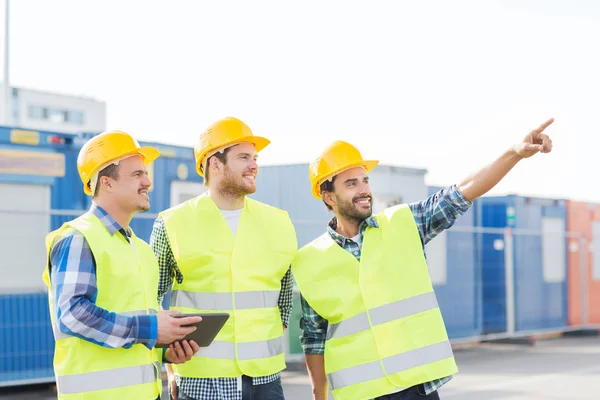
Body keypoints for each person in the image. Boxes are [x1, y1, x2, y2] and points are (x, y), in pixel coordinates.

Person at [292, 119, 555, 400]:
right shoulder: (309, 260)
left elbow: (464, 190)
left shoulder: (405, 223)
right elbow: (314, 339)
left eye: (365, 180)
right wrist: (318, 396)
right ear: (328, 195)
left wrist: (514, 152)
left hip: (416, 389)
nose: (364, 190)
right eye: (351, 183)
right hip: (359, 394)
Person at [42, 130, 203, 400]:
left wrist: (165, 348)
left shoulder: (141, 249)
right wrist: (151, 329)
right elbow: (72, 314)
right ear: (107, 183)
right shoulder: (78, 238)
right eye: (137, 174)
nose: (148, 182)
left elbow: (137, 325)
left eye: (146, 173)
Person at [150, 117, 298, 400]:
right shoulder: (172, 223)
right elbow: (147, 297)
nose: (254, 165)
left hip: (265, 380)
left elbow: (285, 296)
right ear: (214, 163)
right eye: (244, 157)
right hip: (202, 381)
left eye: (255, 157)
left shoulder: (278, 222)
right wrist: (166, 354)